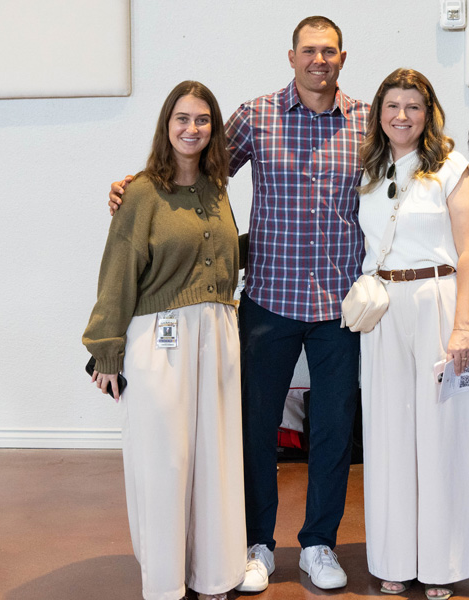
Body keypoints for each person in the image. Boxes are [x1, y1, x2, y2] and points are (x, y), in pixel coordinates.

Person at [108, 16, 368, 593]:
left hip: (339, 306)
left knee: (333, 429)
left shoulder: (368, 123)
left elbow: (400, 183)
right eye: (308, 51)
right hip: (267, 303)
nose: (318, 60)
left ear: (342, 58)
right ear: (292, 57)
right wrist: (136, 186)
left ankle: (320, 544)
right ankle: (256, 543)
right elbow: (193, 164)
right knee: (253, 429)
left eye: (329, 51)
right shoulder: (256, 116)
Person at [84, 81, 245, 600]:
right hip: (160, 340)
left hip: (217, 336)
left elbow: (220, 257)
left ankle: (214, 575)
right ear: (165, 126)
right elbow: (119, 271)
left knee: (214, 460)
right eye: (182, 119)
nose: (191, 129)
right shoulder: (139, 192)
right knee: (164, 461)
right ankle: (165, 583)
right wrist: (105, 350)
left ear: (213, 130)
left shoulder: (218, 189)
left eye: (202, 120)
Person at [357, 68, 469, 600]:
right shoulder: (369, 169)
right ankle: (395, 557)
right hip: (385, 307)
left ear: (429, 111)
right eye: (392, 105)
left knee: (443, 433)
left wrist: (463, 326)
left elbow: (468, 252)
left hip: (438, 302)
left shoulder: (453, 168)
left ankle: (442, 562)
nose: (402, 116)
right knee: (388, 433)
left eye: (413, 106)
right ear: (379, 112)